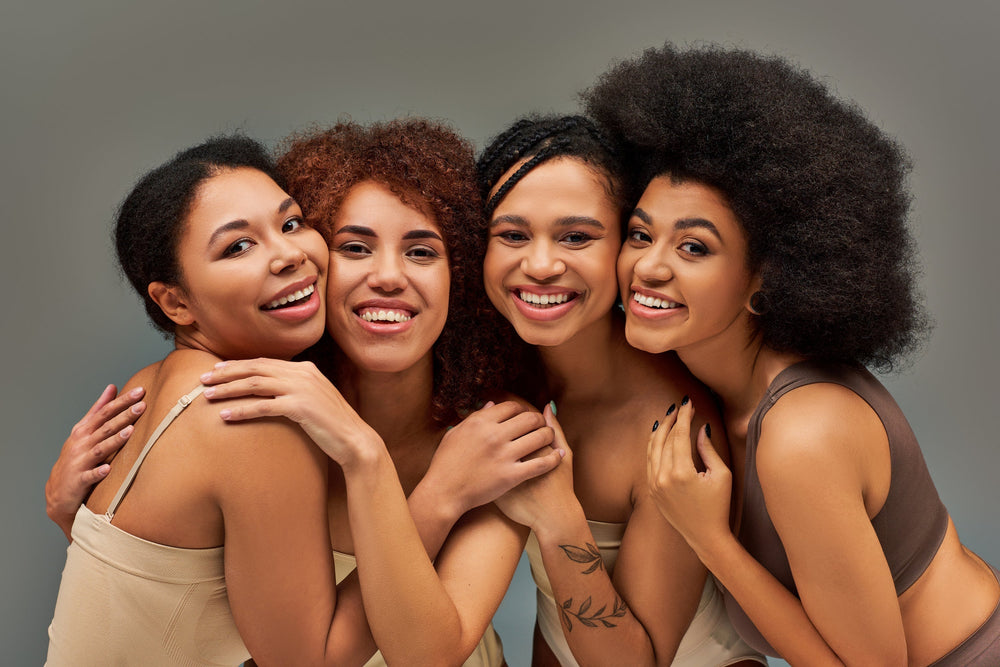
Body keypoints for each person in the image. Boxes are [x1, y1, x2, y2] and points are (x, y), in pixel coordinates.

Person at [47, 121, 562, 666]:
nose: (389, 276)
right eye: (355, 247)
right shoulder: (250, 415)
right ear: (174, 302)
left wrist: (71, 518)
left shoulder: (494, 433)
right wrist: (429, 491)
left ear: (460, 271)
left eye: (421, 252)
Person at [584, 43, 1000, 665]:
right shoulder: (715, 387)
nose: (649, 267)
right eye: (641, 234)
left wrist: (710, 538)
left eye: (694, 248)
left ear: (766, 280)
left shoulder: (802, 434)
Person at [476, 115, 764, 666]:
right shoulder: (504, 375)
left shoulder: (674, 428)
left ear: (625, 246)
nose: (540, 265)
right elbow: (553, 612)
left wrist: (558, 518)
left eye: (576, 237)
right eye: (512, 235)